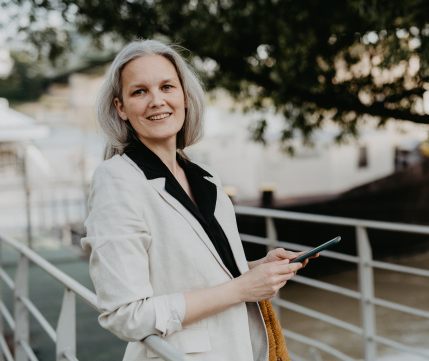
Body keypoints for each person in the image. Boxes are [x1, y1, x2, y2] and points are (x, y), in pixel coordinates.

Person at [81, 39, 311, 361]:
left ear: (185, 98)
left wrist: (257, 269)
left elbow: (198, 274)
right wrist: (244, 288)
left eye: (166, 87)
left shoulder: (207, 177)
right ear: (121, 108)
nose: (157, 101)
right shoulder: (116, 180)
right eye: (139, 92)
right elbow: (126, 314)